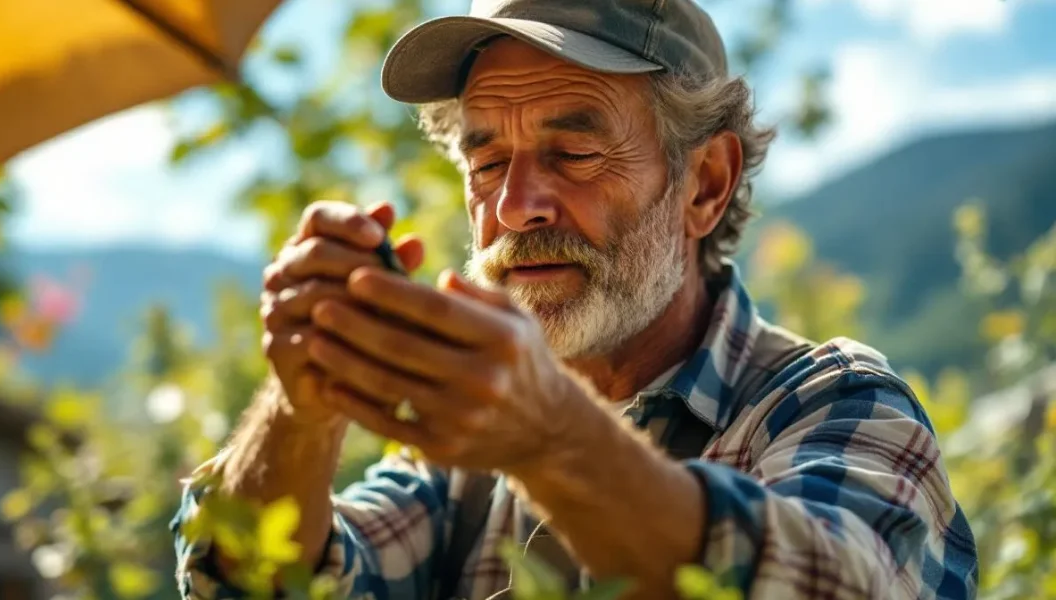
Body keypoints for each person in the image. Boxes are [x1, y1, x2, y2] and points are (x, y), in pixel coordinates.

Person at [171, 0, 978, 598]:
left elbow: (848, 583)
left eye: (575, 151)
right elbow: (261, 581)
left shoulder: (829, 403)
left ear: (705, 184)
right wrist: (302, 402)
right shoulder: (458, 458)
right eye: (487, 165)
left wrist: (553, 441)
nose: (518, 206)